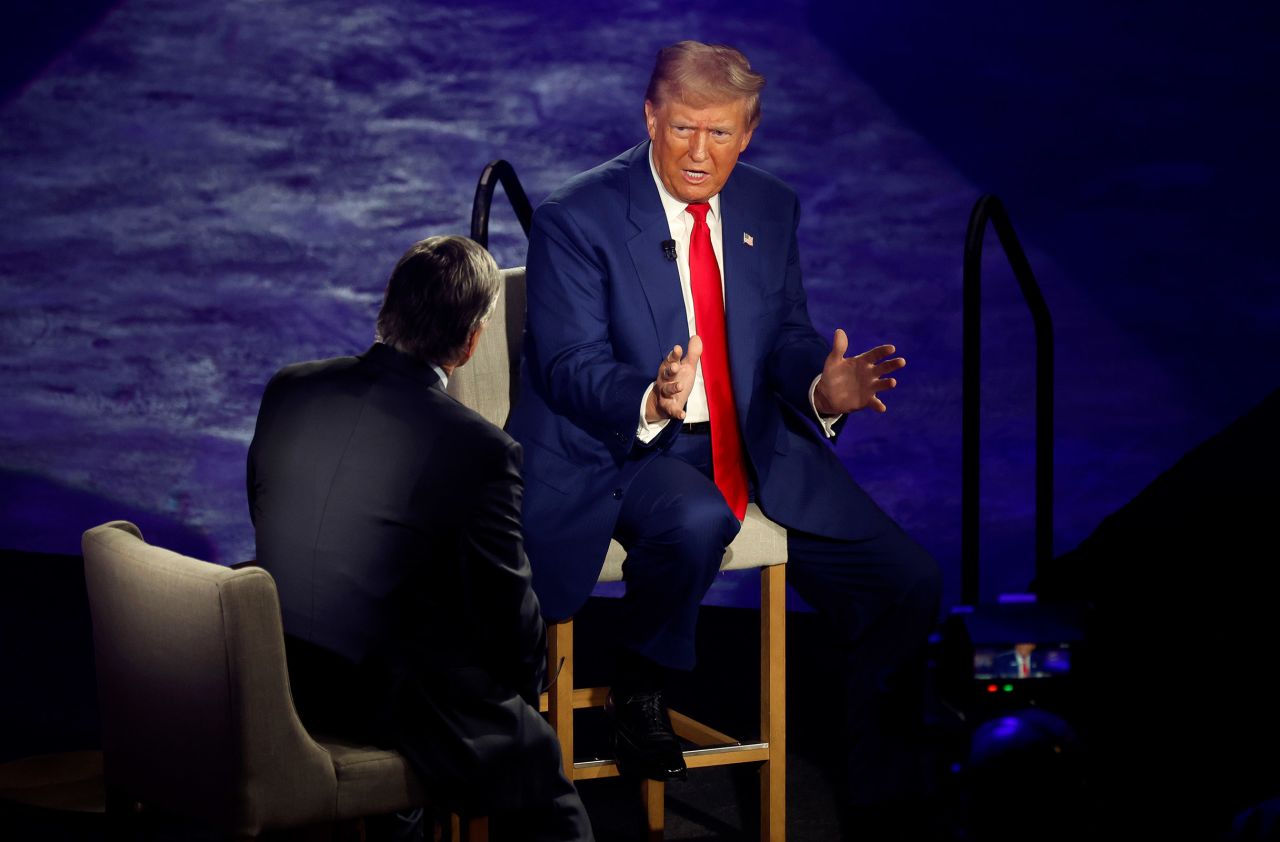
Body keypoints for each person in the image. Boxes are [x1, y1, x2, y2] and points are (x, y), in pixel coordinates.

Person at [505, 40, 942, 836]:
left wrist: (820, 385)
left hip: (751, 443)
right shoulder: (579, 218)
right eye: (682, 130)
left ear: (749, 132)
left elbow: (785, 336)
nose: (699, 154)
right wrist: (649, 394)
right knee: (698, 519)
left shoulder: (769, 209)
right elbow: (567, 365)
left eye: (719, 134)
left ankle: (878, 796)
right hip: (625, 445)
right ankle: (641, 681)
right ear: (650, 118)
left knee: (906, 584)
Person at [247, 236, 592, 841]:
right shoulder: (480, 448)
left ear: (389, 307)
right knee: (544, 779)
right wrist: (535, 676)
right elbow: (508, 615)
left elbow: (265, 516)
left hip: (280, 676)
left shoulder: (289, 387)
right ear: (471, 341)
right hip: (394, 705)